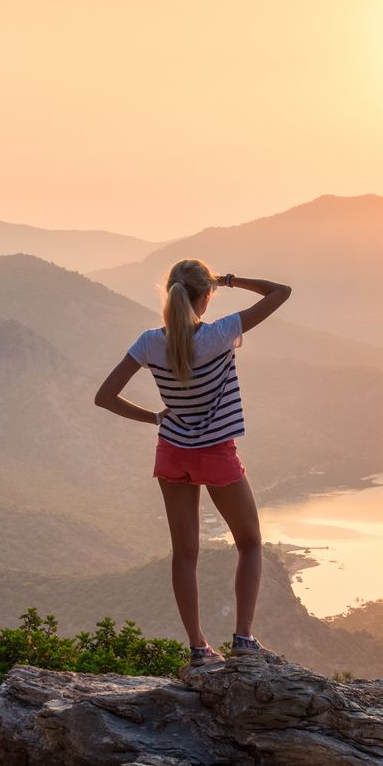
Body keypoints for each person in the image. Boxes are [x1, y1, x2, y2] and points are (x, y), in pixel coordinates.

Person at [95, 259, 292, 665]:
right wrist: (231, 280)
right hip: (216, 453)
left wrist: (153, 417)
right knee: (250, 543)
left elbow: (105, 396)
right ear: (205, 297)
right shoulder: (220, 334)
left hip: (172, 452)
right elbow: (281, 292)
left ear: (169, 294)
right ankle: (243, 638)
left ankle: (198, 648)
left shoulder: (149, 342)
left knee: (185, 555)